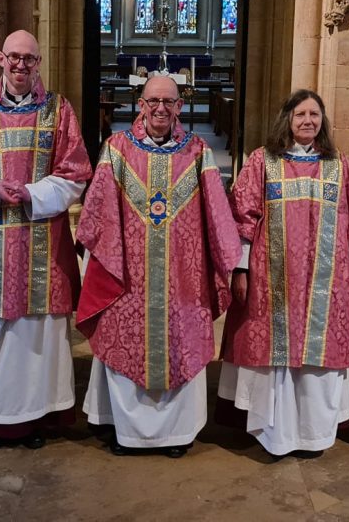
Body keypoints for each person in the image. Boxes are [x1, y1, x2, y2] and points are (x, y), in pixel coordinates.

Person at [0, 30, 92, 450]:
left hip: (42, 239)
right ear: (0, 59)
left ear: (38, 63)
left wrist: (31, 193)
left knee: (38, 335)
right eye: (15, 58)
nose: (22, 65)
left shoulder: (59, 112)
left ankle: (39, 417)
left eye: (30, 59)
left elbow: (77, 172)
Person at [76, 76, 241, 458]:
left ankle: (177, 434)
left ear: (180, 106)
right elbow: (97, 214)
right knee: (124, 342)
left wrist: (228, 263)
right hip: (127, 279)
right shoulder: (116, 150)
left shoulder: (199, 152)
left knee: (180, 344)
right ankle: (125, 430)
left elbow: (217, 215)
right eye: (153, 101)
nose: (161, 109)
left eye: (169, 101)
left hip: (182, 281)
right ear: (140, 104)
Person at [217, 89, 349, 458]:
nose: (308, 121)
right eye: (301, 114)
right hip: (271, 277)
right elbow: (244, 217)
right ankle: (274, 430)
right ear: (287, 118)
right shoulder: (262, 162)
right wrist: (240, 268)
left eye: (315, 115)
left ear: (323, 121)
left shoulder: (338, 165)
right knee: (273, 349)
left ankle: (312, 433)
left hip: (325, 279)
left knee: (318, 352)